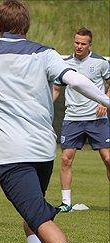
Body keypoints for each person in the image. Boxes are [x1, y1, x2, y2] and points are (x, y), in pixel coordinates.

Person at [0, 0, 109, 243]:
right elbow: (75, 80)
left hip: (11, 156)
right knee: (32, 210)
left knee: (38, 215)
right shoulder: (45, 53)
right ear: (27, 26)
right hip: (44, 151)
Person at [52, 27, 110, 213]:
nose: (79, 46)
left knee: (108, 159)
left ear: (89, 45)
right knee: (66, 160)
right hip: (72, 119)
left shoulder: (101, 63)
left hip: (97, 119)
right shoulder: (64, 63)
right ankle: (66, 203)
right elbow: (56, 89)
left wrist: (105, 101)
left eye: (83, 44)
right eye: (76, 42)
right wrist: (44, 105)